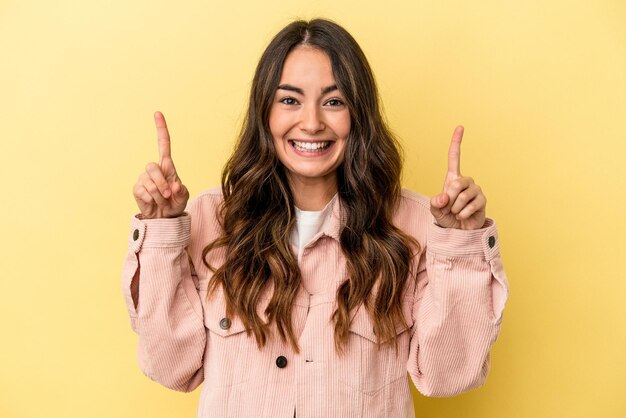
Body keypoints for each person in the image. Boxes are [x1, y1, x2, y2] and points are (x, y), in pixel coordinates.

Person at [122, 18, 509, 418]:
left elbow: (448, 376)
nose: (311, 122)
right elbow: (171, 368)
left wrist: (460, 244)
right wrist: (162, 232)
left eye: (333, 101)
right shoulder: (211, 219)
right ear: (264, 112)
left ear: (358, 114)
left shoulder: (415, 225)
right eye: (289, 100)